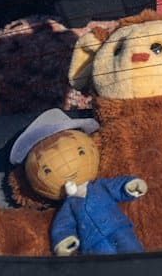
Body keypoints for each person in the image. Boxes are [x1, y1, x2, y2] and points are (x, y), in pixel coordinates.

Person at [10, 108, 147, 256]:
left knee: (136, 257)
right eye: (47, 170)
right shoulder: (68, 205)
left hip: (119, 228)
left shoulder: (101, 186)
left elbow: (116, 186)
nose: (68, 168)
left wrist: (130, 186)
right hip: (93, 244)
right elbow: (63, 225)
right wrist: (64, 241)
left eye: (80, 152)